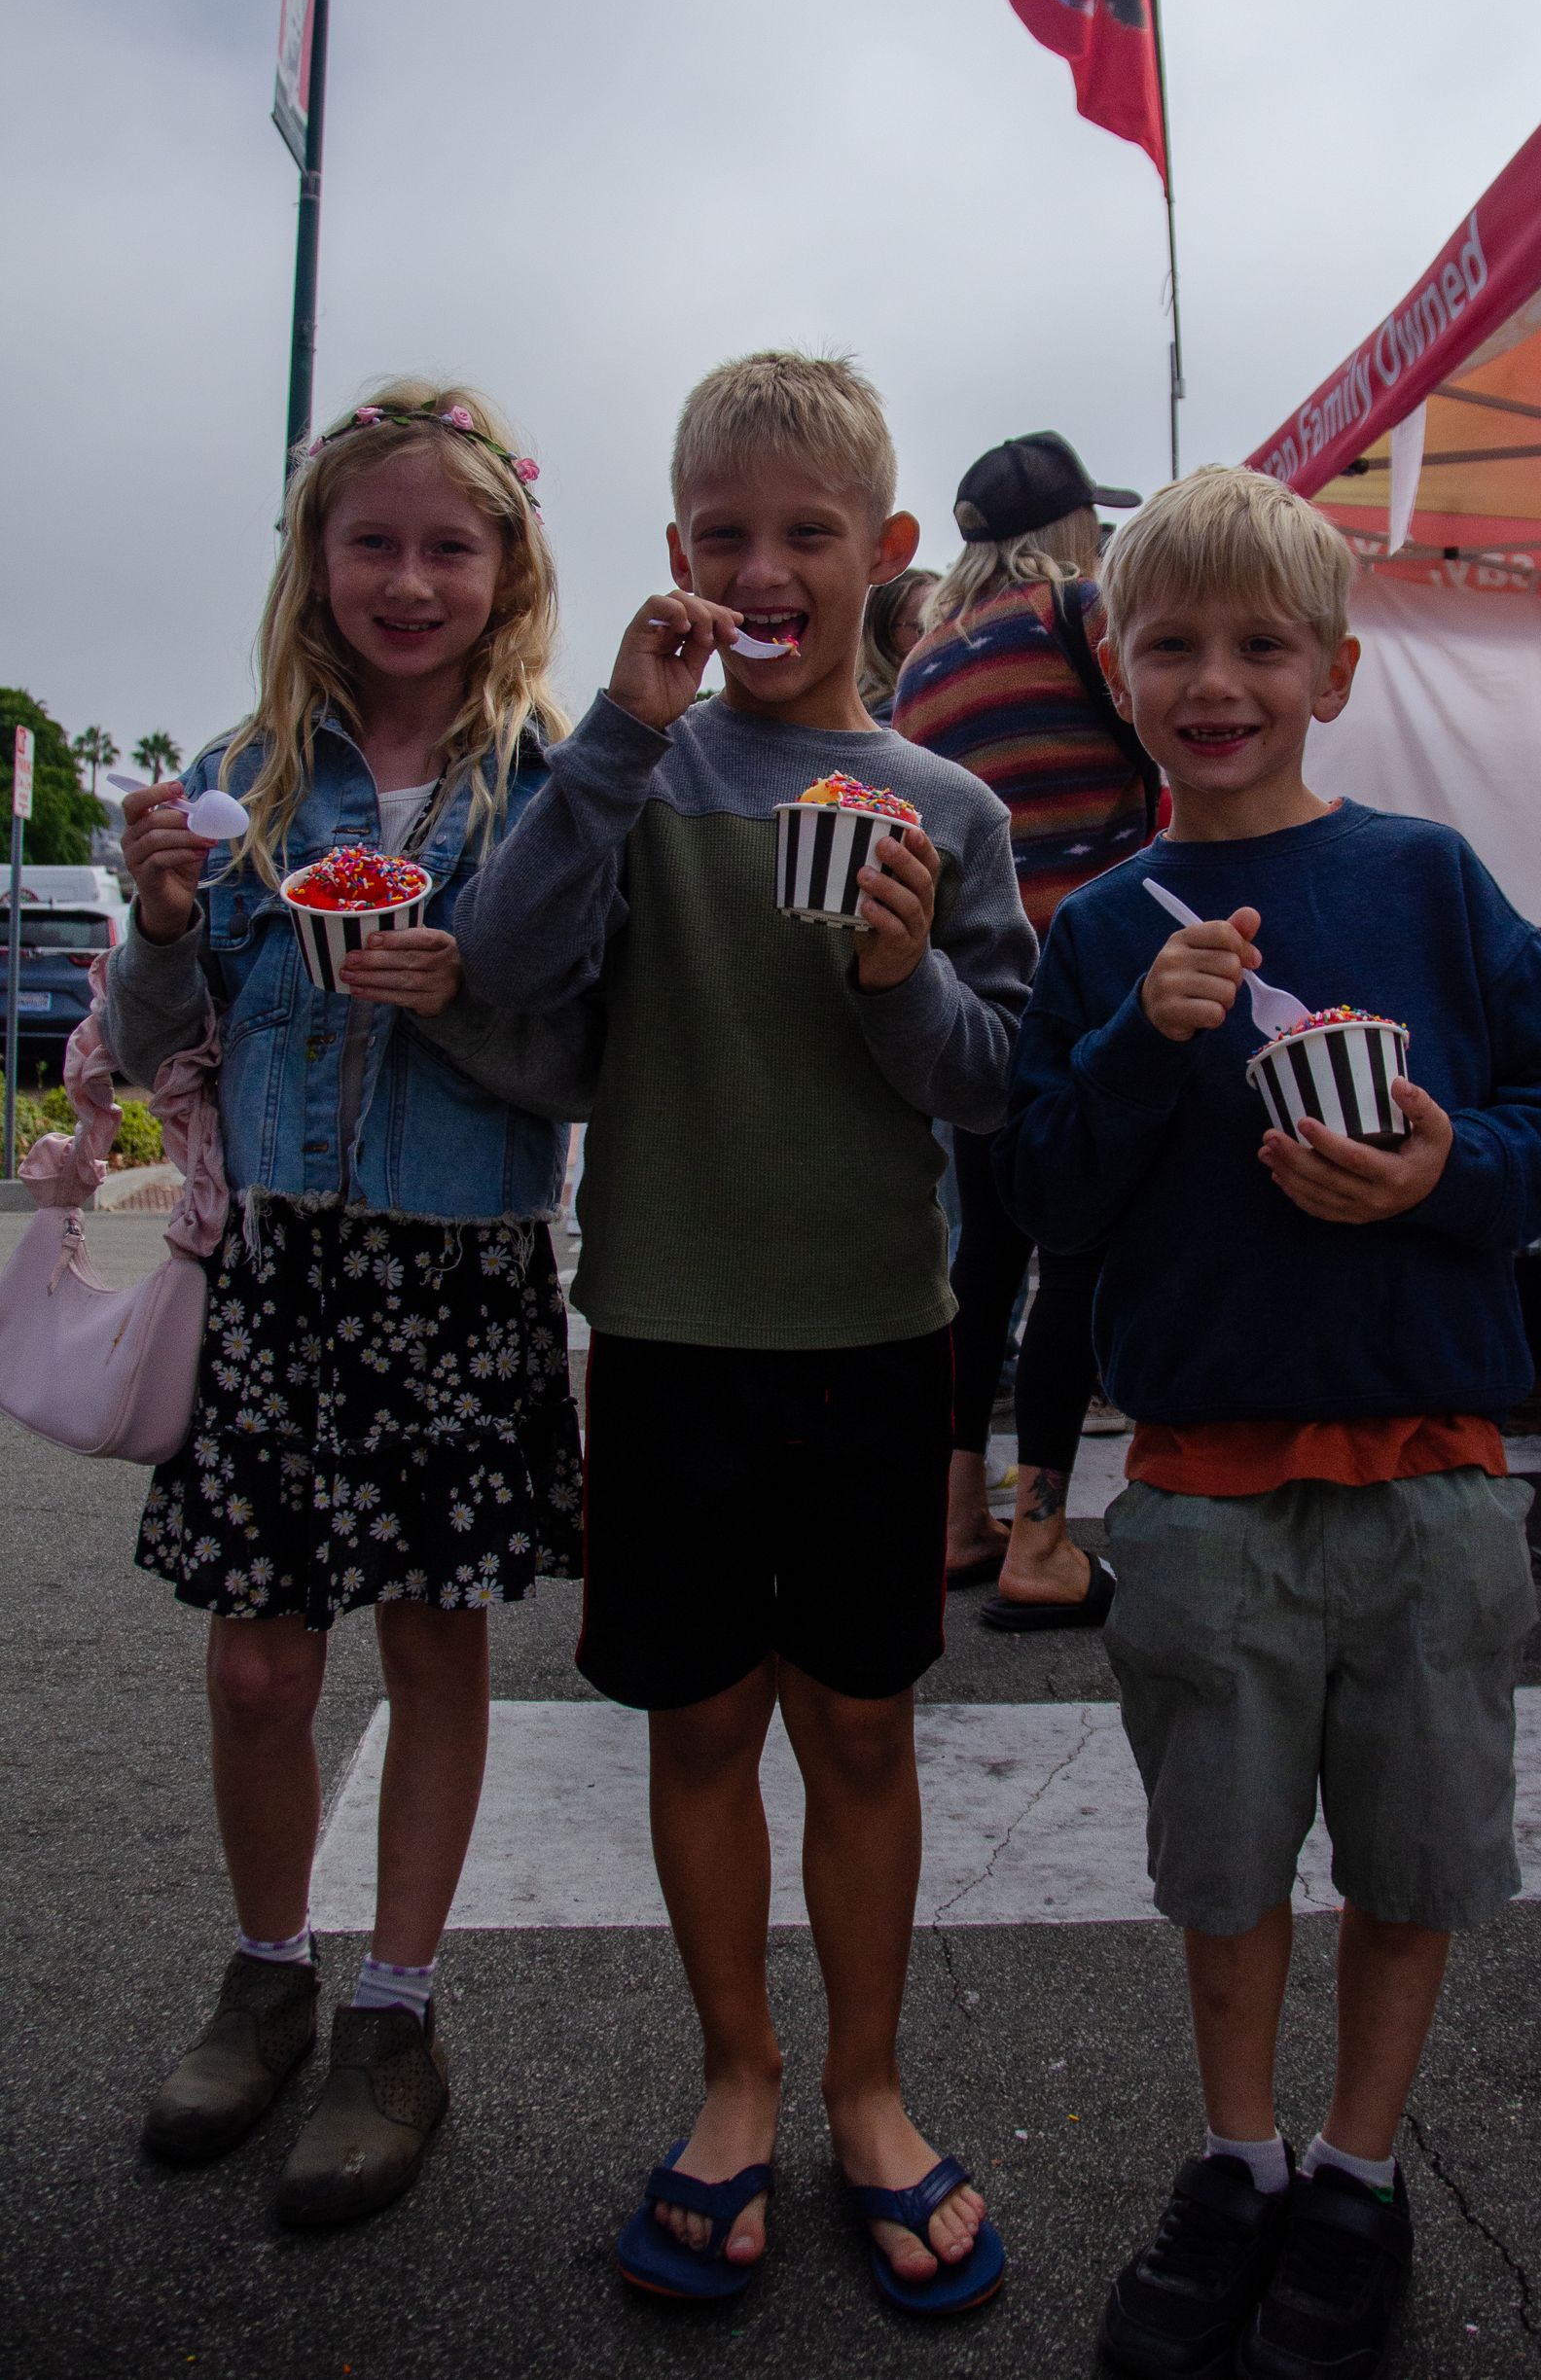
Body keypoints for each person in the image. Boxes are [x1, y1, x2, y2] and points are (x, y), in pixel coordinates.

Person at [997, 466, 1541, 2380]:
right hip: (1194, 1495)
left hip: (1433, 1480)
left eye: (1261, 644)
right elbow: (1044, 1198)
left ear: (1333, 671)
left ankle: (1357, 2171)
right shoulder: (1108, 930)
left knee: (1416, 1862)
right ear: (1120, 670)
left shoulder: (1426, 880)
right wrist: (1136, 1044)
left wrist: (1448, 1173)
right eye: (1172, 643)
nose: (1217, 678)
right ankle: (1240, 2159)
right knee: (1225, 1864)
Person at [451, 349, 1034, 2315]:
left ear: (882, 553)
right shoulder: (627, 768)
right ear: (676, 551)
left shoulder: (946, 804)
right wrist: (617, 737)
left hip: (875, 1328)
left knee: (860, 1727)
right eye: (725, 533)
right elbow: (511, 963)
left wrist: (891, 971)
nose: (766, 566)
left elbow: (987, 1082)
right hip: (672, 1329)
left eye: (808, 533)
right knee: (697, 1719)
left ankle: (867, 2090)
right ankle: (737, 2075)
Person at [104, 383, 593, 2227]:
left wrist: (455, 991)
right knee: (254, 1659)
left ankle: (396, 2010)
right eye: (371, 540)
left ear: (507, 566)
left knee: (433, 1644)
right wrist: (157, 925)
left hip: (456, 1258)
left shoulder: (543, 795)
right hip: (284, 1263)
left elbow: (581, 1065)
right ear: (314, 561)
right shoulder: (242, 772)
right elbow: (164, 1047)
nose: (408, 577)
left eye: (447, 545)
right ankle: (265, 1965)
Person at [894, 431, 1153, 1629]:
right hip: (1094, 988)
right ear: (1069, 531)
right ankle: (1042, 1536)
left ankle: (954, 1519)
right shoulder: (1083, 614)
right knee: (1079, 1260)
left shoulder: (923, 665)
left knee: (983, 1264)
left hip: (972, 996)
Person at [857, 562, 937, 722]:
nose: (940, 633)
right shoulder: (893, 716)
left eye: (948, 621)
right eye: (923, 626)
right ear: (882, 636)